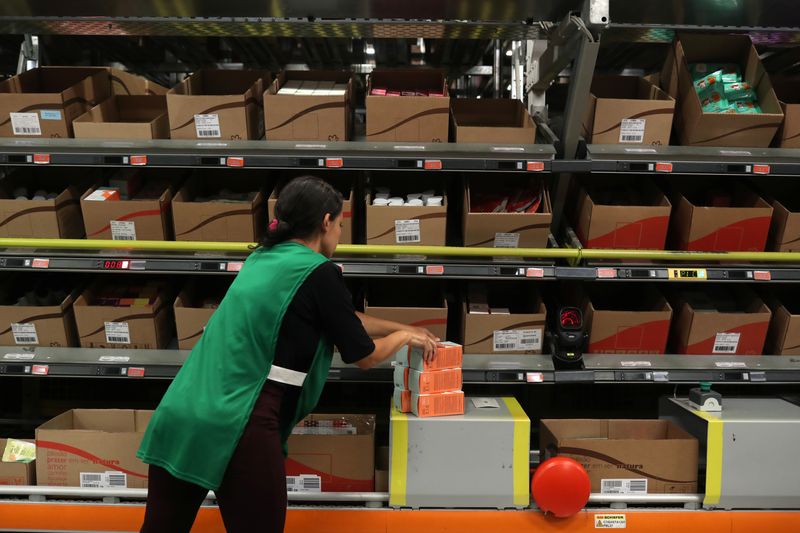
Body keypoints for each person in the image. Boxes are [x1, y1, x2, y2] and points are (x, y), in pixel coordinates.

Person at [138, 176, 439, 533]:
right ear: (326, 222)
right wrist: (404, 336)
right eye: (340, 226)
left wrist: (398, 326)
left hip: (183, 410)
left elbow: (341, 319)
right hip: (240, 420)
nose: (340, 237)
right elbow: (365, 355)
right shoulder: (319, 271)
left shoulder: (263, 259)